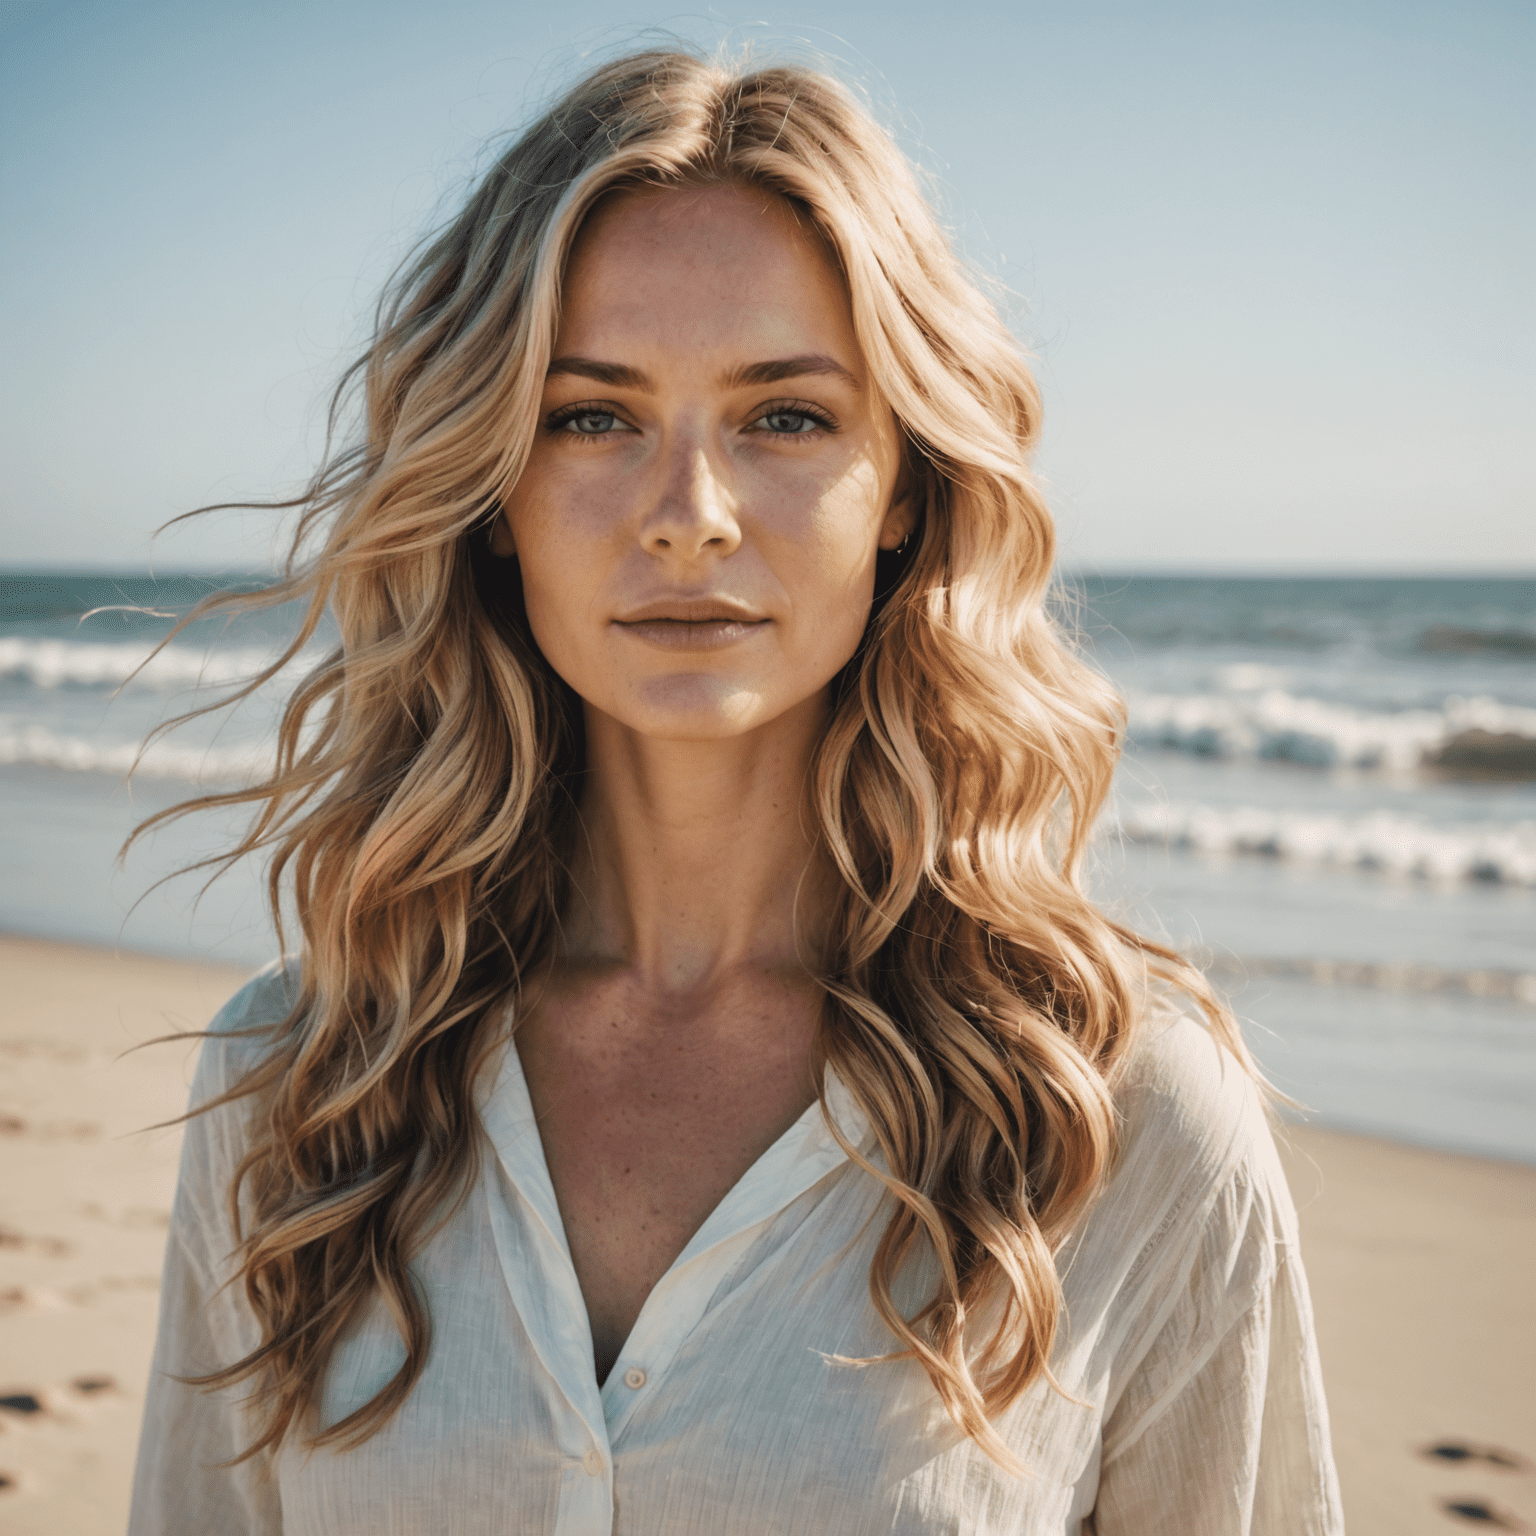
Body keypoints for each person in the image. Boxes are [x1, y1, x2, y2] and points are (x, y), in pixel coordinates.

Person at [128, 48, 1342, 1535]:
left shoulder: (1122, 1117)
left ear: (904, 485)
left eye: (785, 417)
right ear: (493, 487)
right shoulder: (304, 1087)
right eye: (593, 416)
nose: (688, 516)